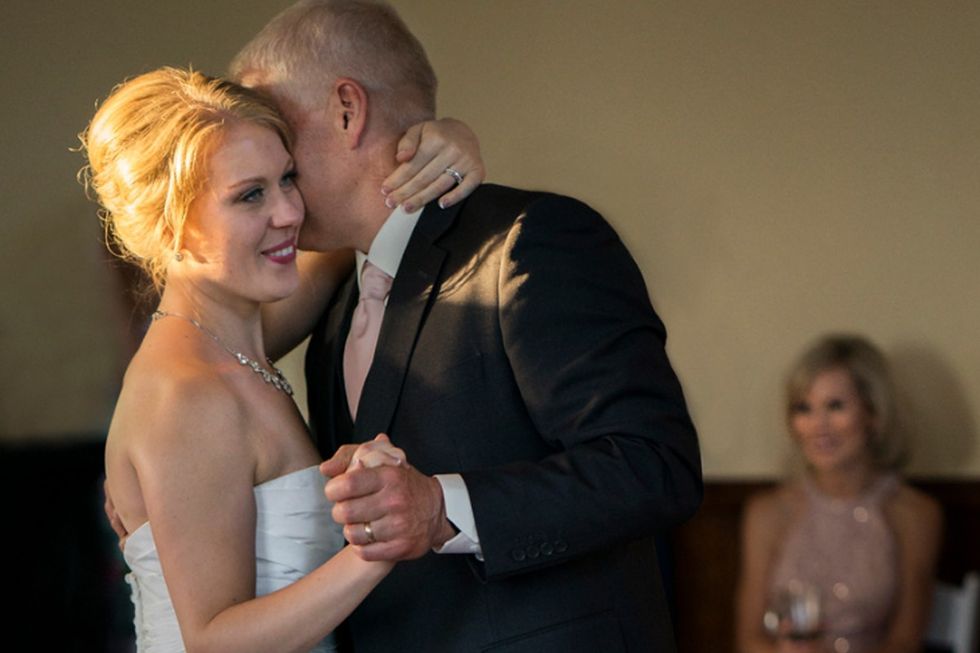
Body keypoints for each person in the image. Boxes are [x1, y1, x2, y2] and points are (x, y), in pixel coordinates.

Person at [230, 1, 704, 651]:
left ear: (347, 109)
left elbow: (655, 465)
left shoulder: (531, 244)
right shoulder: (334, 300)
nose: (265, 156)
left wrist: (441, 508)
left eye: (276, 129)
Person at [85, 66, 485, 652]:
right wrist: (379, 545)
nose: (290, 213)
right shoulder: (188, 394)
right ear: (171, 227)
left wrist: (450, 140)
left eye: (287, 179)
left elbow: (362, 218)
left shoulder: (236, 339)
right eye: (250, 194)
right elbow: (215, 641)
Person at [735, 335, 943, 653]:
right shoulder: (767, 512)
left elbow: (904, 642)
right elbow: (749, 639)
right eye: (804, 408)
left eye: (835, 406)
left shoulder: (914, 513)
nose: (819, 426)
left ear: (873, 413)